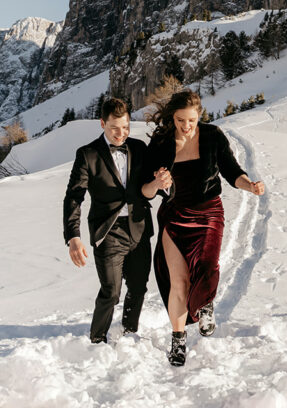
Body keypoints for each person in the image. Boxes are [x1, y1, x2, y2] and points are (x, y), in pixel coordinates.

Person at [142, 89, 265, 367]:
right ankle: (178, 339)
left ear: (200, 117)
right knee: (179, 282)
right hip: (174, 216)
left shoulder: (212, 136)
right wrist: (157, 183)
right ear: (171, 118)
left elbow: (232, 171)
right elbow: (145, 191)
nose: (186, 126)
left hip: (208, 212)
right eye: (180, 120)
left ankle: (205, 304)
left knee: (207, 267)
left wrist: (250, 185)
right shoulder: (161, 142)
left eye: (192, 120)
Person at [63, 97, 153, 343]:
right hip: (108, 231)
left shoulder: (139, 148)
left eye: (125, 127)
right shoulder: (87, 154)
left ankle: (128, 331)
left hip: (139, 228)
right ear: (102, 123)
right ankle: (96, 339)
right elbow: (73, 198)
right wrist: (73, 237)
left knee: (138, 287)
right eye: (115, 128)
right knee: (111, 292)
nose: (121, 134)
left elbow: (151, 183)